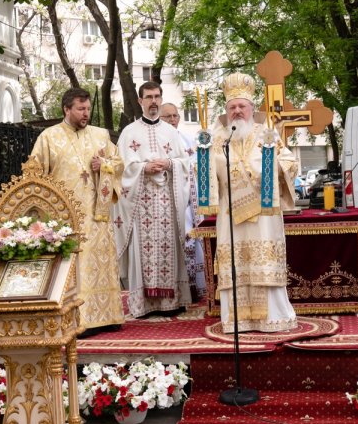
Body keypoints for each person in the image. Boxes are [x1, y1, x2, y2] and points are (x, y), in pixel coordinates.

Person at [200, 73, 299, 333]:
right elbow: (207, 176)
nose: (237, 111)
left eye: (241, 106)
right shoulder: (216, 138)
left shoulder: (267, 135)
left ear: (252, 109)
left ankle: (273, 318)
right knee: (236, 264)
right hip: (231, 216)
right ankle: (237, 320)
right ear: (226, 110)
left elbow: (290, 162)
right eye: (232, 107)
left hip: (263, 215)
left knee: (263, 263)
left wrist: (275, 167)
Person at [29, 88, 126, 332]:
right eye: (80, 109)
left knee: (97, 265)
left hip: (96, 215)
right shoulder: (48, 137)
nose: (86, 113)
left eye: (88, 109)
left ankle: (107, 317)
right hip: (65, 217)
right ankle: (75, 320)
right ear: (67, 109)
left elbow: (118, 162)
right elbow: (35, 176)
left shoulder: (101, 135)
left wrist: (103, 165)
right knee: (73, 269)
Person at [115, 84, 193, 318]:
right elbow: (120, 168)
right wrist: (143, 167)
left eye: (157, 96)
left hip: (168, 202)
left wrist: (170, 164)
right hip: (141, 203)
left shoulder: (171, 132)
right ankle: (146, 304)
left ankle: (173, 301)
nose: (153, 101)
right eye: (148, 97)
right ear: (140, 101)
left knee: (170, 245)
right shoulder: (129, 132)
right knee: (143, 251)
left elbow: (186, 163)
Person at [159, 101, 206, 299]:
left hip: (188, 205)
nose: (172, 120)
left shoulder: (188, 141)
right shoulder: (158, 140)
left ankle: (195, 289)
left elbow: (197, 168)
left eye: (175, 116)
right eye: (167, 116)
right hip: (166, 205)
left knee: (191, 241)